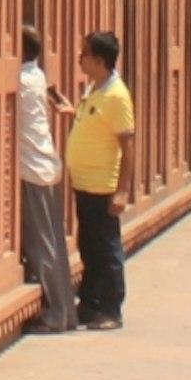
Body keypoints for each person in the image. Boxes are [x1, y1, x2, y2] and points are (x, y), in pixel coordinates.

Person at [66, 30, 136, 331]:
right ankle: (90, 303)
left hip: (103, 185)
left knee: (106, 248)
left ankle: (111, 308)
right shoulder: (94, 90)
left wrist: (122, 191)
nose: (80, 58)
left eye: (84, 54)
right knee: (89, 246)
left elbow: (127, 145)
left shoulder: (116, 96)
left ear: (98, 60)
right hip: (84, 183)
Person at [14, 26, 77, 333]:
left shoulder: (22, 81)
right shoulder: (36, 76)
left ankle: (56, 313)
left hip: (32, 169)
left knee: (43, 246)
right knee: (55, 244)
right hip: (46, 163)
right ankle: (66, 309)